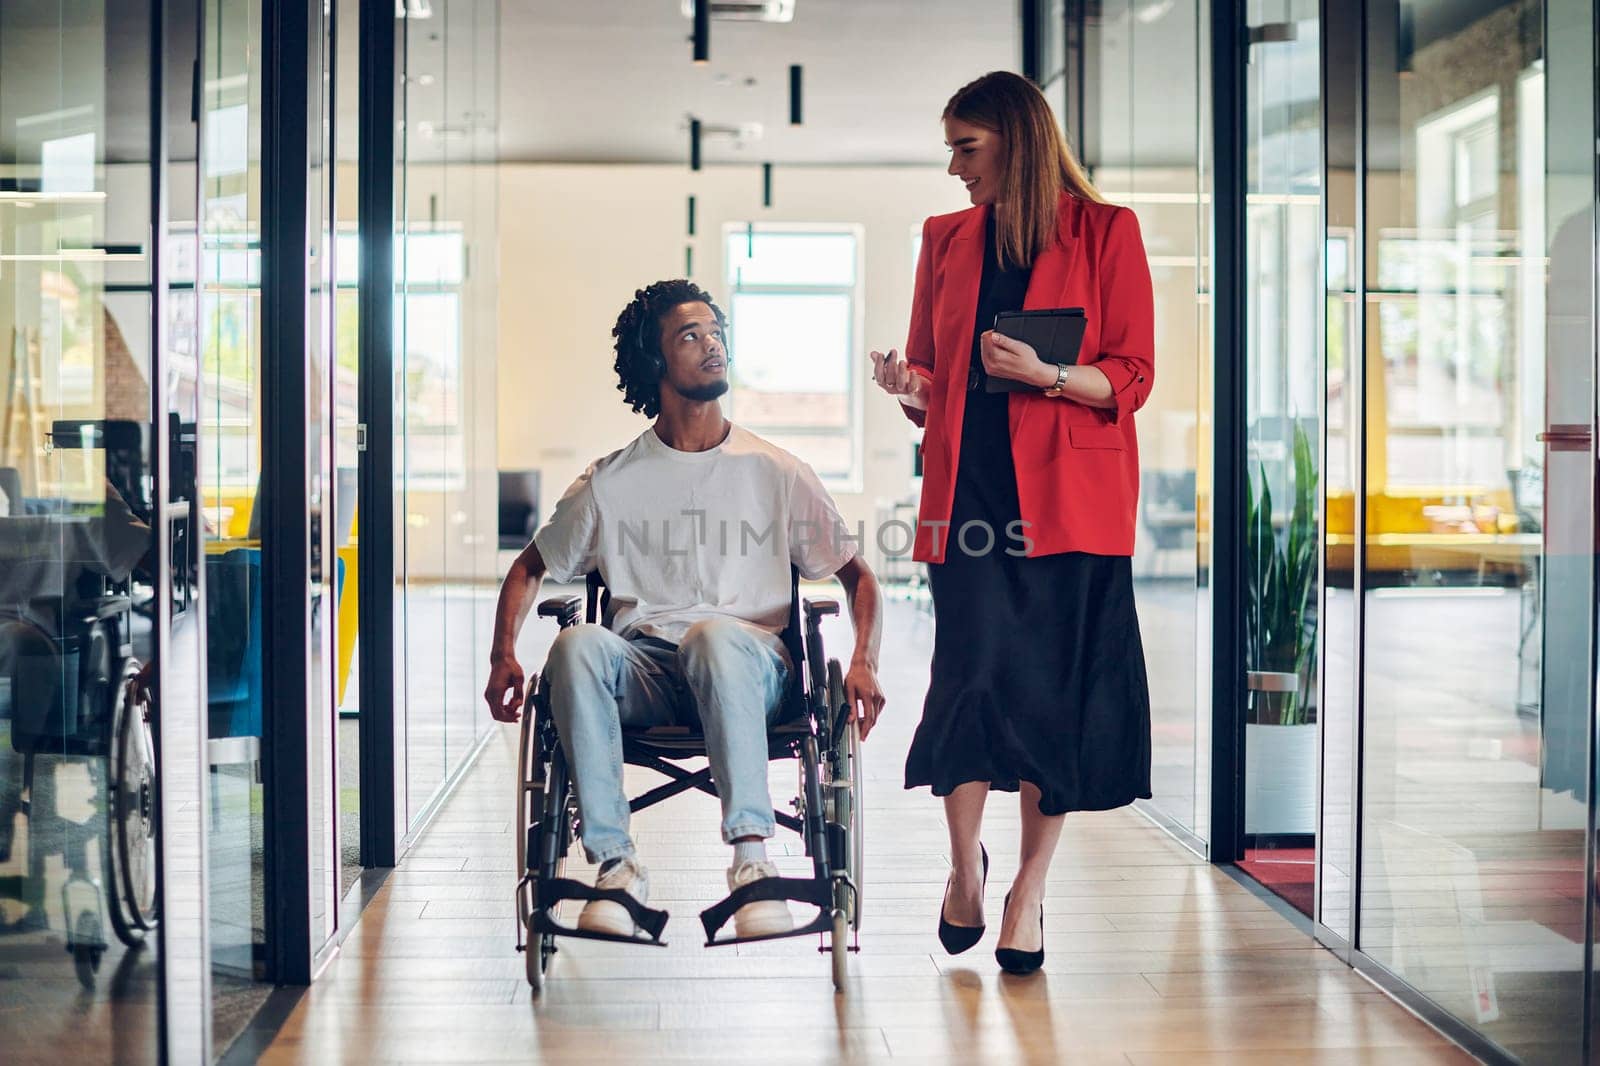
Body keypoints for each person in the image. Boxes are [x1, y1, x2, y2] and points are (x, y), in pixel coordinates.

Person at [486, 279, 886, 941]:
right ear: (655, 362)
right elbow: (529, 566)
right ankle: (615, 866)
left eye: (715, 332)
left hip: (750, 665)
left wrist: (865, 664)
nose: (712, 346)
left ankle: (753, 863)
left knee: (714, 636)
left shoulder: (775, 471)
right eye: (689, 336)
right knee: (577, 645)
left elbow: (858, 577)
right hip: (644, 672)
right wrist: (503, 653)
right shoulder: (609, 481)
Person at [869, 71, 1155, 975]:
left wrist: (1047, 376)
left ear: (1017, 142)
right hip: (972, 505)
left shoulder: (1108, 231)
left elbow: (1133, 375)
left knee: (1052, 704)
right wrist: (911, 388)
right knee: (969, 683)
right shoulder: (944, 238)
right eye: (951, 149)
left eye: (968, 148)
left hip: (1073, 509)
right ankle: (964, 871)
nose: (954, 168)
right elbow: (933, 372)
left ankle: (1028, 892)